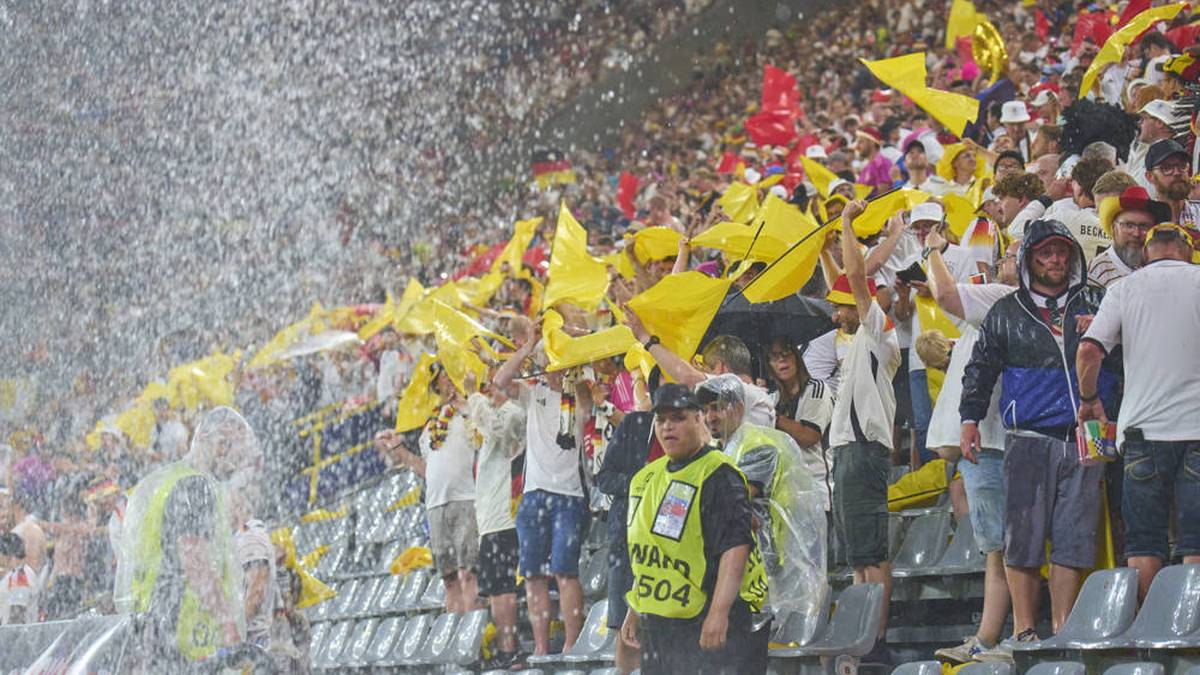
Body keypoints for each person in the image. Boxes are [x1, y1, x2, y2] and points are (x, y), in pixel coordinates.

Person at [960, 220, 1120, 660]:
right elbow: (980, 369)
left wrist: (1109, 332)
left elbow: (1123, 360)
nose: (1054, 261)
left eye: (1061, 253)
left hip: (1085, 436)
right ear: (1030, 258)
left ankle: (1063, 627)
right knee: (1023, 537)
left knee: (1074, 534)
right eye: (1045, 254)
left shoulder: (1098, 301)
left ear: (1072, 257)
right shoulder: (1006, 311)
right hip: (1026, 435)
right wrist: (969, 418)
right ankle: (1025, 630)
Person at [1077, 224, 1200, 600]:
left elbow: (1087, 352)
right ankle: (1193, 634)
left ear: (1147, 253)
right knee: (1196, 540)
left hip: (1143, 435)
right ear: (1189, 248)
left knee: (1145, 543)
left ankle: (1154, 633)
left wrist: (1089, 400)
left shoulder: (1124, 288)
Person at [619, 384, 769, 675]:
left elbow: (736, 547)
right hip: (660, 624)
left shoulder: (718, 474)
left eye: (678, 418)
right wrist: (634, 609)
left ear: (699, 419)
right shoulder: (645, 478)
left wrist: (719, 612)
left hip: (705, 619)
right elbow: (649, 552)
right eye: (661, 420)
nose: (667, 427)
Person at [924, 230, 1021, 663]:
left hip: (991, 444)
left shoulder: (1004, 297)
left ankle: (1017, 634)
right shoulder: (993, 305)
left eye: (1015, 254)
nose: (1006, 259)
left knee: (1005, 548)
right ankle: (991, 637)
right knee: (998, 550)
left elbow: (944, 293)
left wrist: (932, 249)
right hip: (985, 445)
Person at [115, 406, 261, 665]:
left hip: (154, 622)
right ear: (203, 437)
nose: (228, 456)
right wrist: (229, 629)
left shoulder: (164, 481)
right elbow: (196, 561)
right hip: (188, 628)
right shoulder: (197, 486)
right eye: (223, 444)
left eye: (235, 450)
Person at [696, 374, 826, 640]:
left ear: (739, 408)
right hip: (740, 564)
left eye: (718, 407)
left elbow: (730, 502)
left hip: (766, 568)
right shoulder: (718, 450)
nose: (710, 417)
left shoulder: (760, 446)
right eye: (706, 409)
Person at [828, 199, 901, 658]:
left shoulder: (879, 333)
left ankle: (875, 636)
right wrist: (824, 249)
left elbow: (855, 279)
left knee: (871, 554)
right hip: (848, 452)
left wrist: (846, 225)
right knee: (858, 556)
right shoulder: (860, 338)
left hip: (862, 450)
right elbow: (842, 281)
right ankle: (862, 631)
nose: (838, 312)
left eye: (846, 307)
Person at [492, 333, 589, 658]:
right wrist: (526, 346)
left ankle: (572, 646)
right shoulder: (534, 394)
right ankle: (542, 649)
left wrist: (573, 366)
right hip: (533, 495)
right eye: (548, 359)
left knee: (565, 571)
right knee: (532, 574)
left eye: (557, 359)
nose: (551, 366)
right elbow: (500, 380)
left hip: (569, 495)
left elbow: (589, 406)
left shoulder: (579, 393)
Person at [375, 367, 479, 615]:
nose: (449, 382)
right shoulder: (429, 427)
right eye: (443, 379)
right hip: (435, 505)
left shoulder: (469, 412)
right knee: (450, 579)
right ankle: (456, 632)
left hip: (465, 499)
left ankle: (475, 638)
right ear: (436, 387)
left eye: (451, 376)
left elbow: (481, 438)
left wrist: (469, 400)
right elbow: (427, 470)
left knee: (468, 574)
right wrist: (398, 450)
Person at [596, 368, 663, 675]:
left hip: (670, 548)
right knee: (626, 630)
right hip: (629, 542)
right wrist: (642, 484)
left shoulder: (697, 435)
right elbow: (605, 478)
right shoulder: (635, 425)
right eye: (664, 391)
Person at [620, 310, 776, 428]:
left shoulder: (739, 389)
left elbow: (688, 378)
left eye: (708, 370)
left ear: (721, 368)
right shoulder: (757, 396)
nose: (705, 375)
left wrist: (646, 339)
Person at [465, 381, 526, 669]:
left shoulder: (514, 412)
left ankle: (509, 650)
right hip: (490, 517)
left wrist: (473, 396)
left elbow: (496, 430)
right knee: (495, 589)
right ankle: (503, 650)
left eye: (491, 382)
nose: (487, 388)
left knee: (503, 588)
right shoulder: (495, 415)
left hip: (503, 516)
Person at [765, 338, 834, 513]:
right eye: (774, 356)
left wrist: (774, 417)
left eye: (786, 353)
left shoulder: (817, 389)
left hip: (818, 496)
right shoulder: (771, 400)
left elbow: (808, 436)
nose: (781, 359)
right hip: (785, 498)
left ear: (797, 357)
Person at [1089, 186, 1171, 288]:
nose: (1136, 233)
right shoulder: (1096, 273)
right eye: (1128, 225)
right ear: (1114, 228)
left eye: (1144, 226)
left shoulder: (1162, 264)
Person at [229, 473, 276, 649]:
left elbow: (256, 594)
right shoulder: (243, 536)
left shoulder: (250, 538)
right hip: (250, 640)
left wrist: (233, 634)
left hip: (252, 643)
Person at [1044, 156, 1114, 263]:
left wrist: (1047, 198)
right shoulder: (1121, 226)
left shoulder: (1063, 218)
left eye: (1073, 181)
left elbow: (1017, 230)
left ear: (1080, 188)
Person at [1126, 100, 1184, 193]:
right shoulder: (1147, 150)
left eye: (1143, 119)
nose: (1140, 124)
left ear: (1160, 122)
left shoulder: (1167, 157)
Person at [1143, 139, 1200, 227]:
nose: (1177, 172)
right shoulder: (1143, 220)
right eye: (1166, 168)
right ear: (1150, 177)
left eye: (1182, 166)